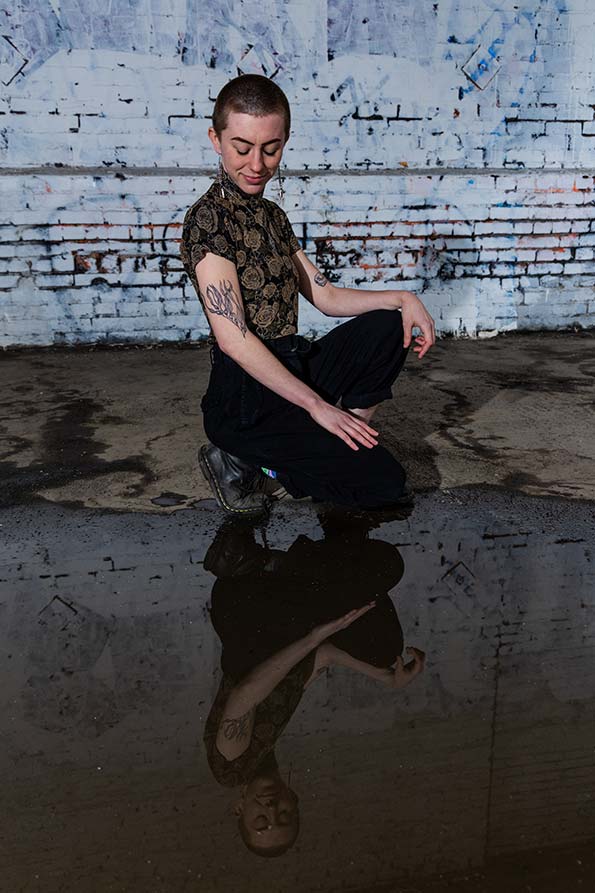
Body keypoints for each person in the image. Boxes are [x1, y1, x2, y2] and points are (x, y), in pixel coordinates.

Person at [180, 74, 436, 516]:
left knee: (388, 326)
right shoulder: (209, 221)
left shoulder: (273, 216)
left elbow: (326, 296)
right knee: (386, 486)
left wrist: (401, 298)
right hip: (246, 401)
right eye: (242, 148)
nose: (257, 163)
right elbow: (233, 338)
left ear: (285, 140)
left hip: (291, 367)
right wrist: (318, 407)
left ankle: (330, 450)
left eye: (271, 147)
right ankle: (249, 463)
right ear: (215, 139)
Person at [202, 518, 425, 857]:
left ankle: (260, 560)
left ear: (239, 810)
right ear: (294, 799)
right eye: (285, 816)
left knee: (384, 568)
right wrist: (384, 677)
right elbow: (323, 657)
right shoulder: (267, 746)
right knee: (382, 650)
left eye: (261, 821)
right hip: (275, 616)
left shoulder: (231, 770)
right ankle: (333, 539)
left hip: (248, 609)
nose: (272, 809)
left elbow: (245, 692)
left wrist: (314, 635)